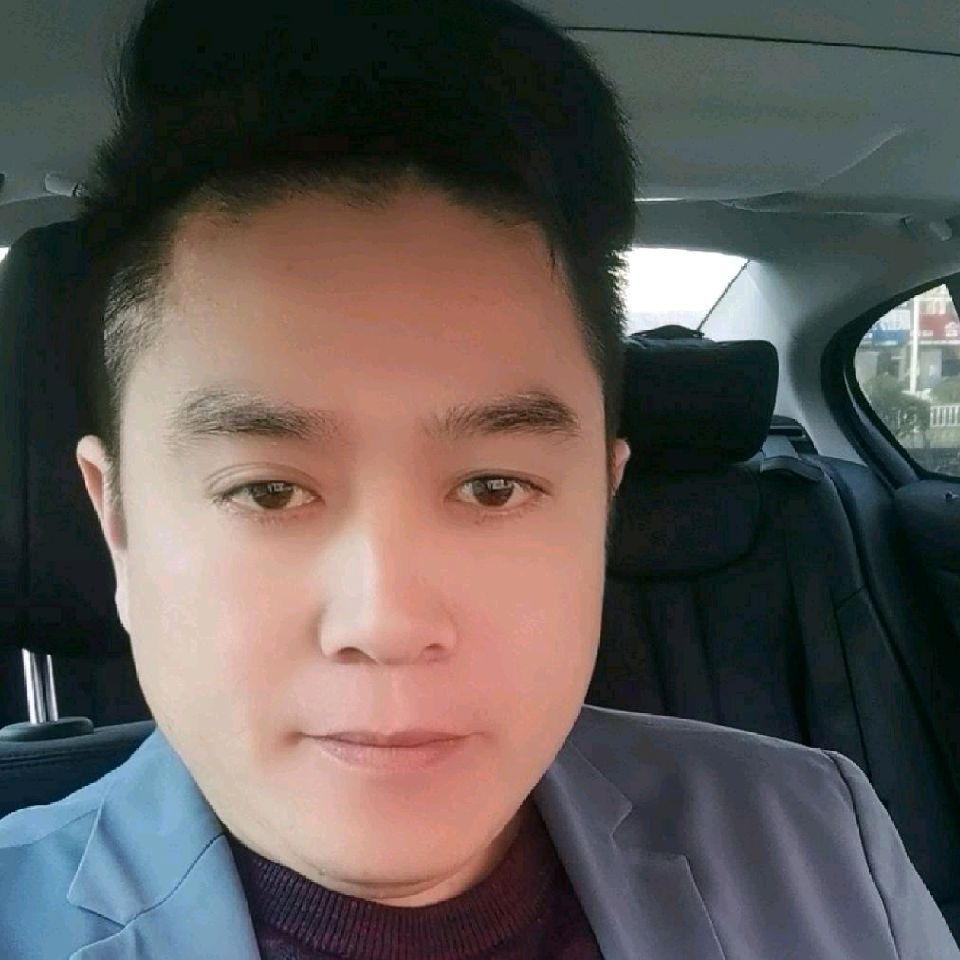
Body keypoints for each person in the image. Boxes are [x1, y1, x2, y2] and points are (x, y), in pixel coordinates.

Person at [0, 1, 957, 957]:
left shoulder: (821, 845)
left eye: (494, 487)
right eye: (267, 491)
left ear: (602, 507)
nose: (387, 622)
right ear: (117, 522)